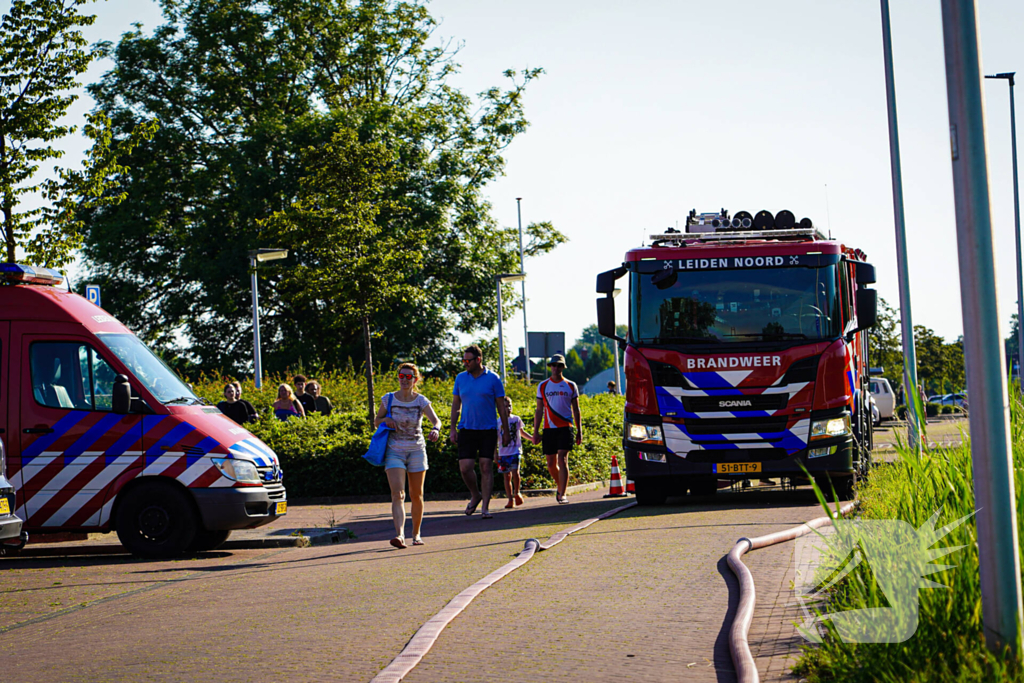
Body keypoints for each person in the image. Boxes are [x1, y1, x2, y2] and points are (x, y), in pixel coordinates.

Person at [375, 363, 442, 548]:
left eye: (409, 377)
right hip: (394, 450)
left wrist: (435, 429)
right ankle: (400, 535)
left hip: (416, 449)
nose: (404, 380)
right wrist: (385, 420)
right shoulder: (388, 399)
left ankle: (416, 534)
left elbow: (436, 420)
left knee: (416, 494)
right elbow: (376, 421)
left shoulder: (420, 400)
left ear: (415, 379)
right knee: (398, 494)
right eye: (401, 376)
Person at [450, 344, 511, 519]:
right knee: (465, 468)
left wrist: (505, 431)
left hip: (488, 429)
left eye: (468, 360)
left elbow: (501, 405)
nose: (465, 363)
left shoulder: (493, 379)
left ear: (478, 360)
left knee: (486, 467)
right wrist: (453, 428)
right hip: (467, 429)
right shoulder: (461, 378)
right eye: (463, 360)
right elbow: (456, 404)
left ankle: (485, 507)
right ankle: (475, 494)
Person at [534, 354, 582, 504]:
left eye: (559, 365)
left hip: (565, 426)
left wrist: (579, 430)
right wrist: (535, 431)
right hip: (549, 428)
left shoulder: (570, 385)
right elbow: (539, 410)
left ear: (563, 367)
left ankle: (562, 493)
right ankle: (560, 485)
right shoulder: (542, 386)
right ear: (550, 367)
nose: (556, 368)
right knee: (550, 463)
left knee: (562, 458)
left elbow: (576, 409)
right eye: (553, 365)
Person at [498, 397, 533, 509]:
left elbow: (521, 432)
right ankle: (509, 499)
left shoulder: (516, 419)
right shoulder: (497, 422)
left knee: (515, 472)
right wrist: (495, 453)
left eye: (509, 406)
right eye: (505, 406)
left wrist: (532, 438)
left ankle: (517, 492)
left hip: (515, 450)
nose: (508, 408)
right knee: (506, 476)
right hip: (503, 453)